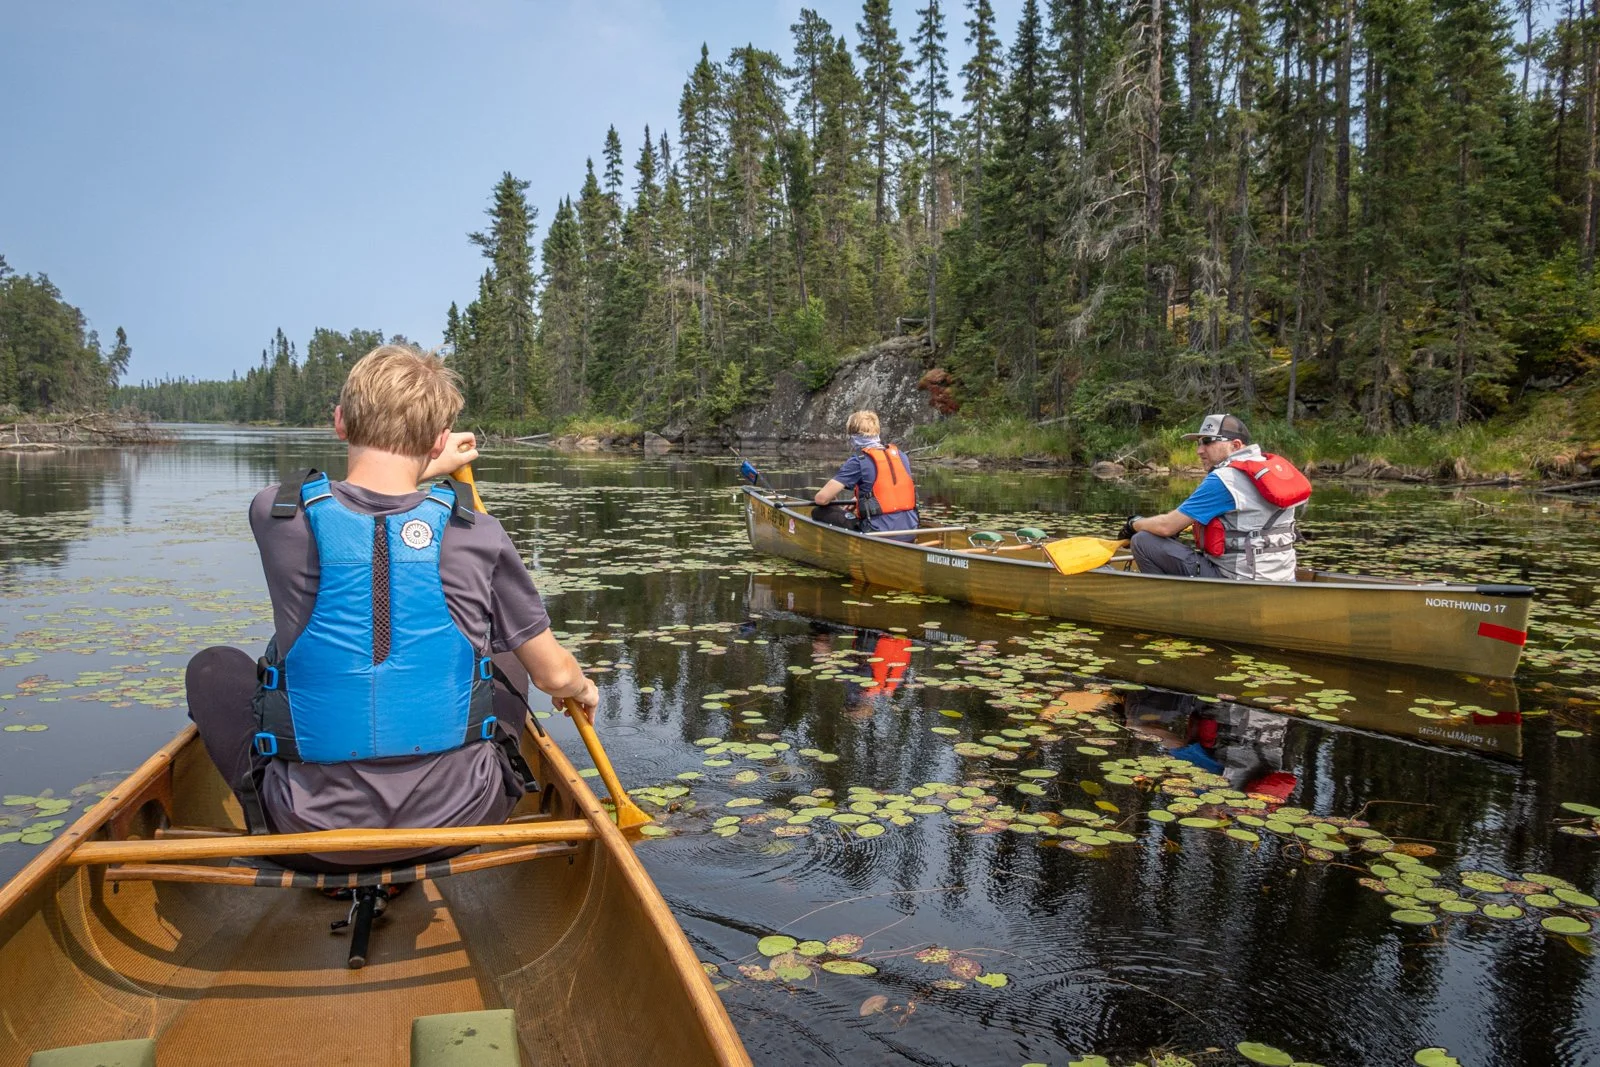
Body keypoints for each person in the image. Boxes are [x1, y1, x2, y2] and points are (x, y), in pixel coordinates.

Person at [184, 344, 598, 871]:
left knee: (213, 665)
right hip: (461, 820)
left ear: (339, 422)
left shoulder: (276, 513)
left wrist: (424, 468)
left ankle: (267, 806)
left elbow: (359, 504)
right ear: (438, 439)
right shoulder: (480, 533)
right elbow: (554, 675)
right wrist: (581, 688)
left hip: (306, 834)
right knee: (508, 654)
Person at [1120, 413, 1310, 582]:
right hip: (1283, 577)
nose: (1199, 450)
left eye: (1208, 441)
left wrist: (1133, 524)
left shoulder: (1225, 478)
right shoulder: (1269, 471)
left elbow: (1166, 526)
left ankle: (1162, 603)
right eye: (1199, 443)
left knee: (1143, 541)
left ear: (1235, 445)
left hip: (1238, 579)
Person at [811, 410, 920, 538]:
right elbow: (889, 490)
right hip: (911, 530)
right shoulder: (900, 456)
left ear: (852, 436)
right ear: (877, 432)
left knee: (819, 511)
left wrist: (834, 503)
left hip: (879, 534)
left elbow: (821, 498)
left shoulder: (859, 460)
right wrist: (859, 501)